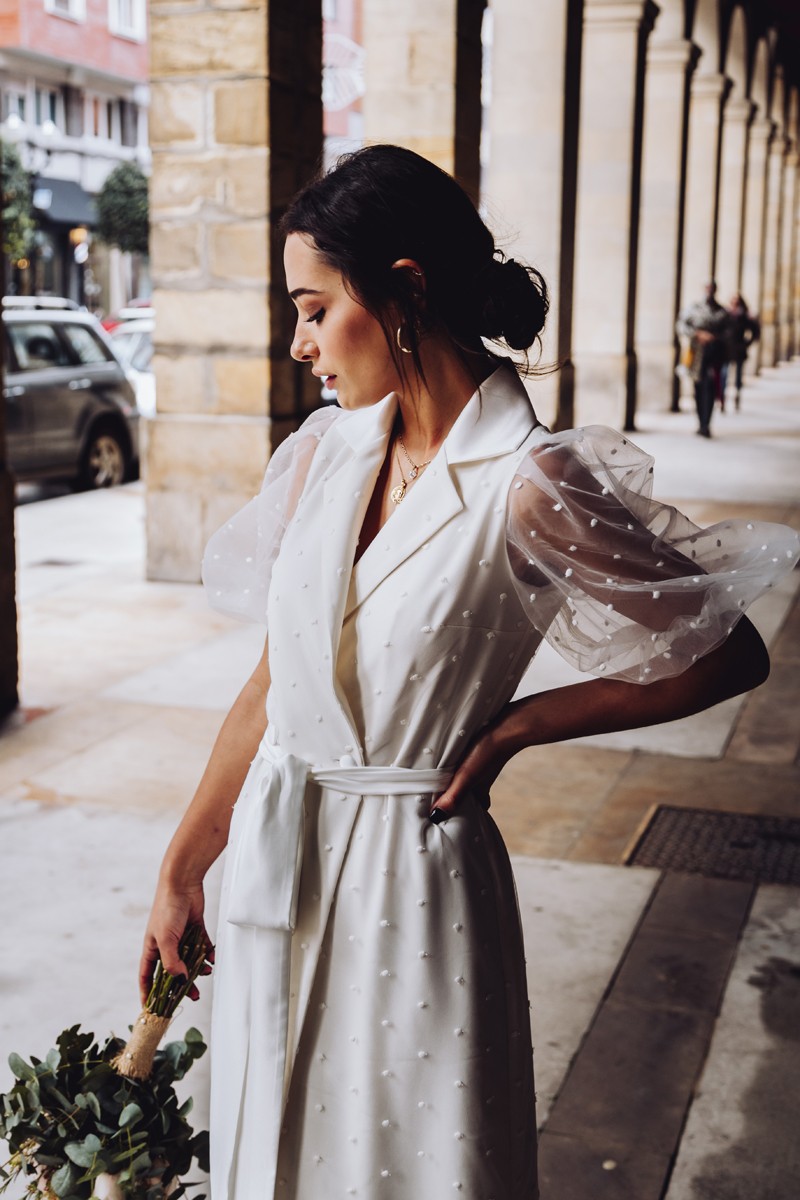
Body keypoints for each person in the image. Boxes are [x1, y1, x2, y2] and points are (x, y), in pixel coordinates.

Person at [140, 146, 799, 1200]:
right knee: (272, 1157)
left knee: (400, 1166)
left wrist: (517, 726)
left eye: (313, 309)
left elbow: (724, 652)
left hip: (412, 879)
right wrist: (183, 865)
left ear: (402, 290)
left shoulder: (529, 482)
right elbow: (276, 686)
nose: (300, 343)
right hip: (280, 863)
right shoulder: (323, 456)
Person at [676, 281, 732, 436]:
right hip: (697, 354)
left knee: (711, 387)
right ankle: (701, 421)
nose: (709, 291)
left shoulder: (722, 312)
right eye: (707, 288)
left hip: (715, 354)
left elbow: (729, 332)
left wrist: (714, 337)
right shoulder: (693, 308)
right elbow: (681, 325)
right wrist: (696, 334)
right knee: (698, 387)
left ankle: (706, 423)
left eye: (712, 288)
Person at [723, 292, 760, 410]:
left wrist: (746, 344)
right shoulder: (725, 314)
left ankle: (737, 395)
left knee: (738, 375)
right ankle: (723, 397)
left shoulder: (744, 316)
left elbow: (755, 332)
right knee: (724, 374)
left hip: (738, 349)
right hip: (726, 350)